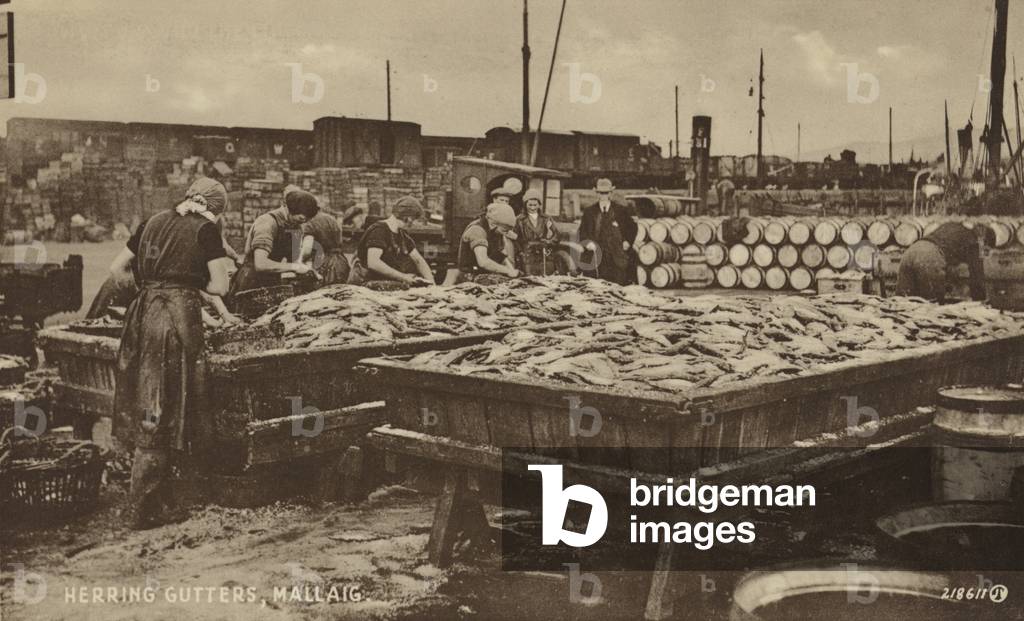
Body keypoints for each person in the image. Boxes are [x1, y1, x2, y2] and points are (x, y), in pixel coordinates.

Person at [112, 178, 236, 529]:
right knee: (167, 402)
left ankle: (157, 499)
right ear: (215, 208)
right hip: (176, 320)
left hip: (142, 314)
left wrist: (146, 291)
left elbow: (116, 269)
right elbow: (220, 285)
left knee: (148, 400)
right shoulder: (206, 230)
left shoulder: (152, 220)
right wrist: (187, 283)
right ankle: (143, 510)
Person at [229, 186, 319, 296]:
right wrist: (294, 267)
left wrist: (309, 271)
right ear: (288, 209)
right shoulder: (267, 223)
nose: (302, 223)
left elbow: (295, 260)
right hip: (251, 281)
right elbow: (261, 264)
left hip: (273, 281)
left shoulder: (296, 227)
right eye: (301, 219)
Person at [896, 221, 993, 302]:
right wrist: (981, 302)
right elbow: (977, 276)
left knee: (902, 303)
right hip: (930, 258)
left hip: (911, 251)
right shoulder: (974, 242)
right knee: (931, 306)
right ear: (984, 240)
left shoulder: (952, 225)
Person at [350, 196, 434, 285]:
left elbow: (418, 260)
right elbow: (373, 263)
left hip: (381, 282)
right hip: (365, 283)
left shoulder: (402, 234)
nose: (414, 224)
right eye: (414, 220)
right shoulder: (379, 230)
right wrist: (403, 277)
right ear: (408, 218)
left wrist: (432, 284)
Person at [578, 178, 637, 285]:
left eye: (606, 193)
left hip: (616, 256)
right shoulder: (589, 212)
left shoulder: (621, 211)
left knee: (620, 284)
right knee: (595, 287)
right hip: (596, 255)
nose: (604, 196)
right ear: (597, 193)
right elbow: (582, 232)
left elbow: (633, 227)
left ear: (611, 193)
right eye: (601, 193)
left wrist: (627, 241)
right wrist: (588, 243)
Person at [452, 202, 520, 282]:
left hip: (482, 276)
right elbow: (483, 262)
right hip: (468, 278)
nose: (506, 233)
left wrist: (512, 271)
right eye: (504, 230)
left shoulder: (496, 231)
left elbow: (501, 256)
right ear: (493, 224)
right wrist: (508, 271)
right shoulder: (477, 230)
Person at [514, 188, 560, 275]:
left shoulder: (547, 219)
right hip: (527, 257)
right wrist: (521, 252)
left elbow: (556, 235)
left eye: (535, 205)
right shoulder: (519, 220)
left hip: (544, 255)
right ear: (525, 204)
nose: (532, 208)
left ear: (539, 205)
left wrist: (548, 242)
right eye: (530, 205)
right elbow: (515, 238)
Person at [300, 210, 350, 286]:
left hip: (324, 264)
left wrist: (300, 261)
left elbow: (307, 250)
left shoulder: (311, 223)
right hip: (341, 261)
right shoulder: (331, 219)